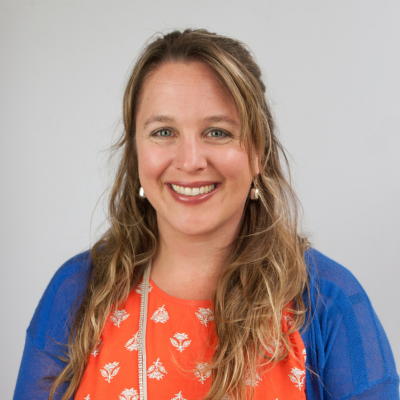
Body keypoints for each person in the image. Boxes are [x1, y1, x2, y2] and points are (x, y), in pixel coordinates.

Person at [13, 29, 399, 400]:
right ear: (136, 153)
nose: (190, 161)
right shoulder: (76, 293)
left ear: (258, 152)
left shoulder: (328, 302)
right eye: (164, 132)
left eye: (217, 132)